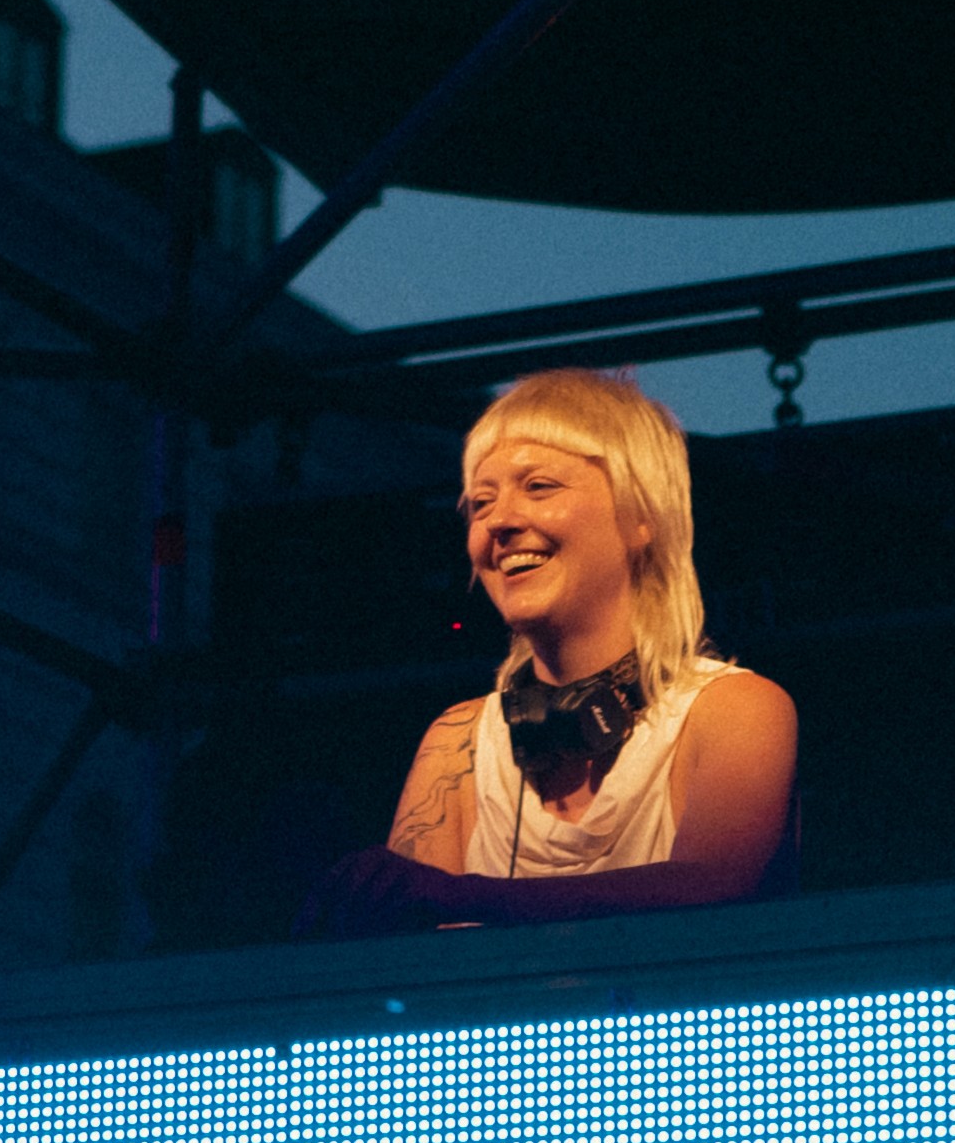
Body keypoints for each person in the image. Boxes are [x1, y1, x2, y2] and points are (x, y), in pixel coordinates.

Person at [298, 367, 798, 932]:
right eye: (481, 503)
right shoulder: (456, 743)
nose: (500, 521)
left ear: (642, 517)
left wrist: (462, 896)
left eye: (538, 487)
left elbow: (714, 887)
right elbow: (413, 946)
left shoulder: (736, 710)